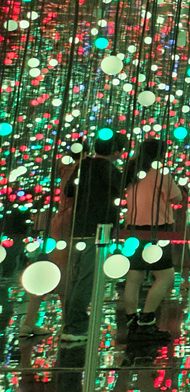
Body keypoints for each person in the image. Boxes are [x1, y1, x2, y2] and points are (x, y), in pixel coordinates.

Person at [59, 133, 127, 343]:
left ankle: (70, 322)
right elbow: (121, 187)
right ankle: (75, 326)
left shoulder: (84, 165)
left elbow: (69, 190)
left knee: (77, 277)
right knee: (87, 278)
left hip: (78, 227)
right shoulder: (108, 169)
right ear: (116, 151)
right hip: (98, 229)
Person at [120, 139, 186, 341]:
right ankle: (147, 319)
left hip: (133, 228)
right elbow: (177, 197)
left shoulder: (132, 172)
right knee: (166, 277)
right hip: (157, 230)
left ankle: (131, 321)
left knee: (134, 276)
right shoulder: (160, 173)